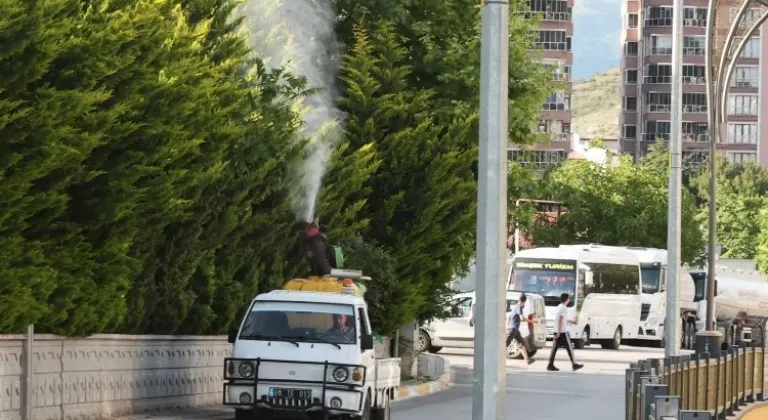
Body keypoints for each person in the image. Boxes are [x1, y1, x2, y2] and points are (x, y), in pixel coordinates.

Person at [547, 293, 583, 372]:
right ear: (566, 299)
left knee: (554, 349)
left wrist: (573, 322)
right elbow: (560, 319)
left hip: (558, 331)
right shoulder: (564, 308)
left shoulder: (560, 306)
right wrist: (559, 332)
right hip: (562, 332)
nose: (569, 299)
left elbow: (564, 319)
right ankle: (574, 364)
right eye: (569, 298)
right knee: (570, 348)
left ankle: (550, 364)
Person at [506, 294, 534, 365]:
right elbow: (522, 318)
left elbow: (509, 317)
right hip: (512, 329)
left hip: (515, 329)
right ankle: (494, 358)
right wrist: (532, 321)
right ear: (524, 301)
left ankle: (527, 360)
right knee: (504, 344)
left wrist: (507, 325)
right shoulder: (519, 307)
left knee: (521, 344)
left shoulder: (516, 306)